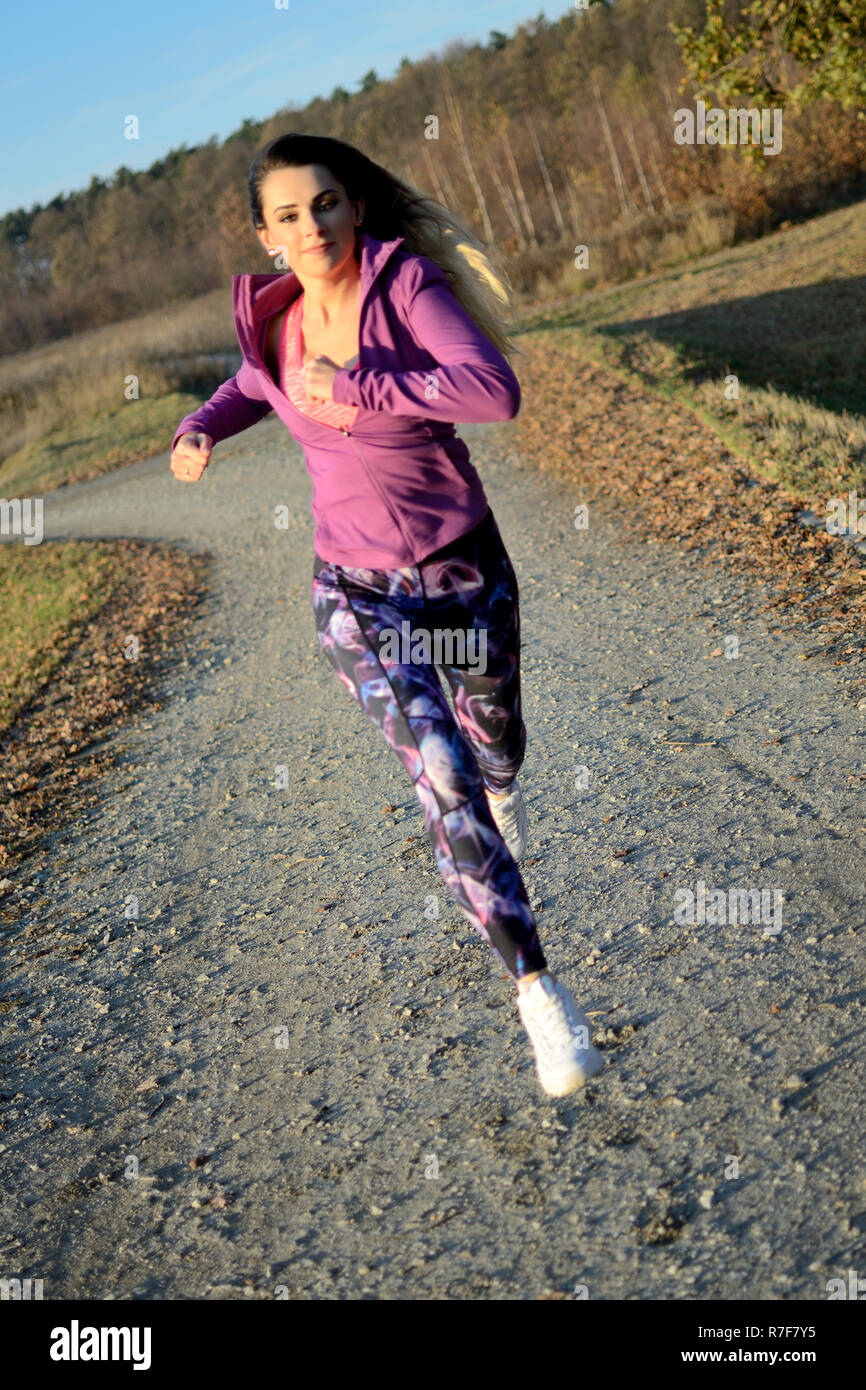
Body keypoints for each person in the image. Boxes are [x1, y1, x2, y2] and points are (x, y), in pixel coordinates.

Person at [169, 133, 603, 1098]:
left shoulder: (406, 286)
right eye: (288, 214)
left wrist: (360, 387)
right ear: (266, 235)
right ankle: (538, 995)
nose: (311, 225)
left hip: (460, 573)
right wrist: (198, 427)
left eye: (325, 203)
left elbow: (494, 391)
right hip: (357, 595)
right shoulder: (273, 324)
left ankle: (501, 793)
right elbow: (250, 388)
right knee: (438, 772)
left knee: (493, 746)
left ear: (353, 207)